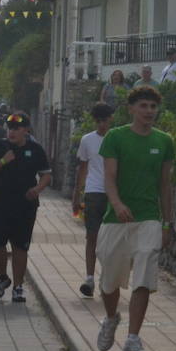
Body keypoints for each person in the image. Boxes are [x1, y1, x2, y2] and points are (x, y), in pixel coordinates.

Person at [95, 86, 175, 351]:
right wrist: (117, 204)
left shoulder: (164, 141)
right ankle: (110, 317)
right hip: (116, 220)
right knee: (109, 281)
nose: (149, 112)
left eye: (153, 107)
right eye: (143, 106)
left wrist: (167, 223)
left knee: (144, 275)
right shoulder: (116, 137)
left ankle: (132, 339)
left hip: (148, 219)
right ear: (131, 109)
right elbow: (110, 177)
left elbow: (165, 185)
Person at [0, 112, 51, 303]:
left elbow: (46, 175)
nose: (12, 131)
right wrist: (3, 161)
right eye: (10, 128)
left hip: (24, 206)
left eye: (17, 128)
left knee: (20, 246)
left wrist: (37, 189)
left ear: (26, 130)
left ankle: (18, 287)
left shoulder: (35, 149)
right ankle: (2, 278)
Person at [73, 103, 115, 298]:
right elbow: (82, 168)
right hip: (93, 192)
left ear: (111, 119)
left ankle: (107, 277)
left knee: (111, 238)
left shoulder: (118, 138)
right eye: (98, 121)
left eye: (104, 120)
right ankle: (89, 277)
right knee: (92, 236)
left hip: (113, 192)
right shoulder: (87, 140)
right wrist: (76, 194)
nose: (101, 124)